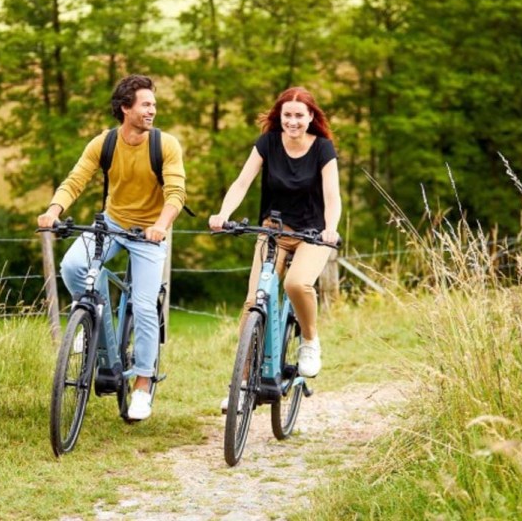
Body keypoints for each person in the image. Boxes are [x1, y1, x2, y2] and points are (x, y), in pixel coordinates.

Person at [38, 74, 187, 421]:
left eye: (153, 104)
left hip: (149, 233)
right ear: (125, 108)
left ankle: (142, 385)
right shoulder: (104, 143)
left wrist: (161, 226)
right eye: (146, 104)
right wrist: (53, 211)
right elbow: (75, 180)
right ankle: (93, 323)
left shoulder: (165, 145)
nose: (153, 110)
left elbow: (176, 192)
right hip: (113, 223)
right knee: (74, 267)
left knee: (146, 306)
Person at [208, 87, 341, 399]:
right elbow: (242, 182)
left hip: (312, 235)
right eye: (287, 115)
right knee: (254, 300)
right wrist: (223, 214)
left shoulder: (323, 149)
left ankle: (309, 341)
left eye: (299, 115)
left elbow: (333, 197)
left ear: (311, 117)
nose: (293, 121)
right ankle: (240, 384)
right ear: (279, 116)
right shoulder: (267, 143)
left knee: (297, 284)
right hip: (273, 232)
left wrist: (330, 228)